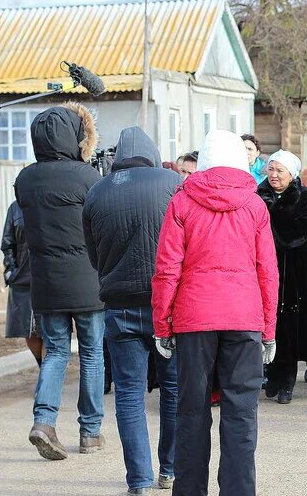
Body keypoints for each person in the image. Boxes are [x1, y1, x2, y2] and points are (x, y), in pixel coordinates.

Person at [152, 130, 279, 496]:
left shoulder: (182, 202)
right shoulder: (255, 206)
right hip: (244, 318)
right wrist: (268, 329)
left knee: (191, 412)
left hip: (194, 320)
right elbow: (267, 272)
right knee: (241, 415)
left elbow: (167, 269)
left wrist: (163, 325)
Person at [83, 126, 182, 494]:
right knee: (172, 389)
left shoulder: (96, 192)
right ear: (152, 152)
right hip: (166, 306)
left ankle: (138, 481)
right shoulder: (172, 183)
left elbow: (94, 256)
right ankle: (169, 470)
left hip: (119, 306)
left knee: (128, 394)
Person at [14, 102, 105, 461]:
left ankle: (44, 421)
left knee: (54, 352)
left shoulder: (25, 178)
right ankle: (91, 432)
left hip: (46, 283)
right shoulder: (87, 177)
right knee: (93, 354)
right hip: (88, 281)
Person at [257, 149, 307, 404]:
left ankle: (287, 380)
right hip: (263, 267)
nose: (273, 175)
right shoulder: (258, 195)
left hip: (295, 270)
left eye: (279, 170)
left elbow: (300, 233)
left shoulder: (306, 197)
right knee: (267, 322)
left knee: (291, 325)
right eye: (270, 169)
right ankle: (271, 374)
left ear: (291, 174)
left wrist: (270, 227)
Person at [1, 200, 43, 366]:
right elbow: (7, 243)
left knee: (49, 330)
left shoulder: (53, 202)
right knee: (29, 330)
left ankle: (48, 380)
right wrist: (11, 270)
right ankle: (45, 371)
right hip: (23, 280)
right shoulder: (15, 208)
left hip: (51, 277)